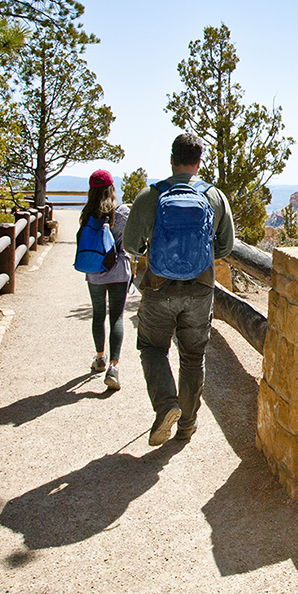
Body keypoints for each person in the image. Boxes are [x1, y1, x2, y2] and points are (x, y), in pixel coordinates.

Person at [123, 133, 235, 446]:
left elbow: (130, 243)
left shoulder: (151, 195)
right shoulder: (214, 196)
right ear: (200, 162)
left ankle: (165, 405)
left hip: (159, 287)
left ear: (172, 160)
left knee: (153, 347)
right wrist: (198, 256)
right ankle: (186, 425)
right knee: (193, 355)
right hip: (200, 289)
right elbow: (226, 246)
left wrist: (153, 251)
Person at [80, 169, 132, 391]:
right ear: (112, 188)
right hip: (119, 271)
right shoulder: (122, 213)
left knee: (98, 313)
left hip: (94, 272)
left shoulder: (87, 214)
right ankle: (113, 368)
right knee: (116, 317)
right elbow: (131, 243)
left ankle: (100, 357)